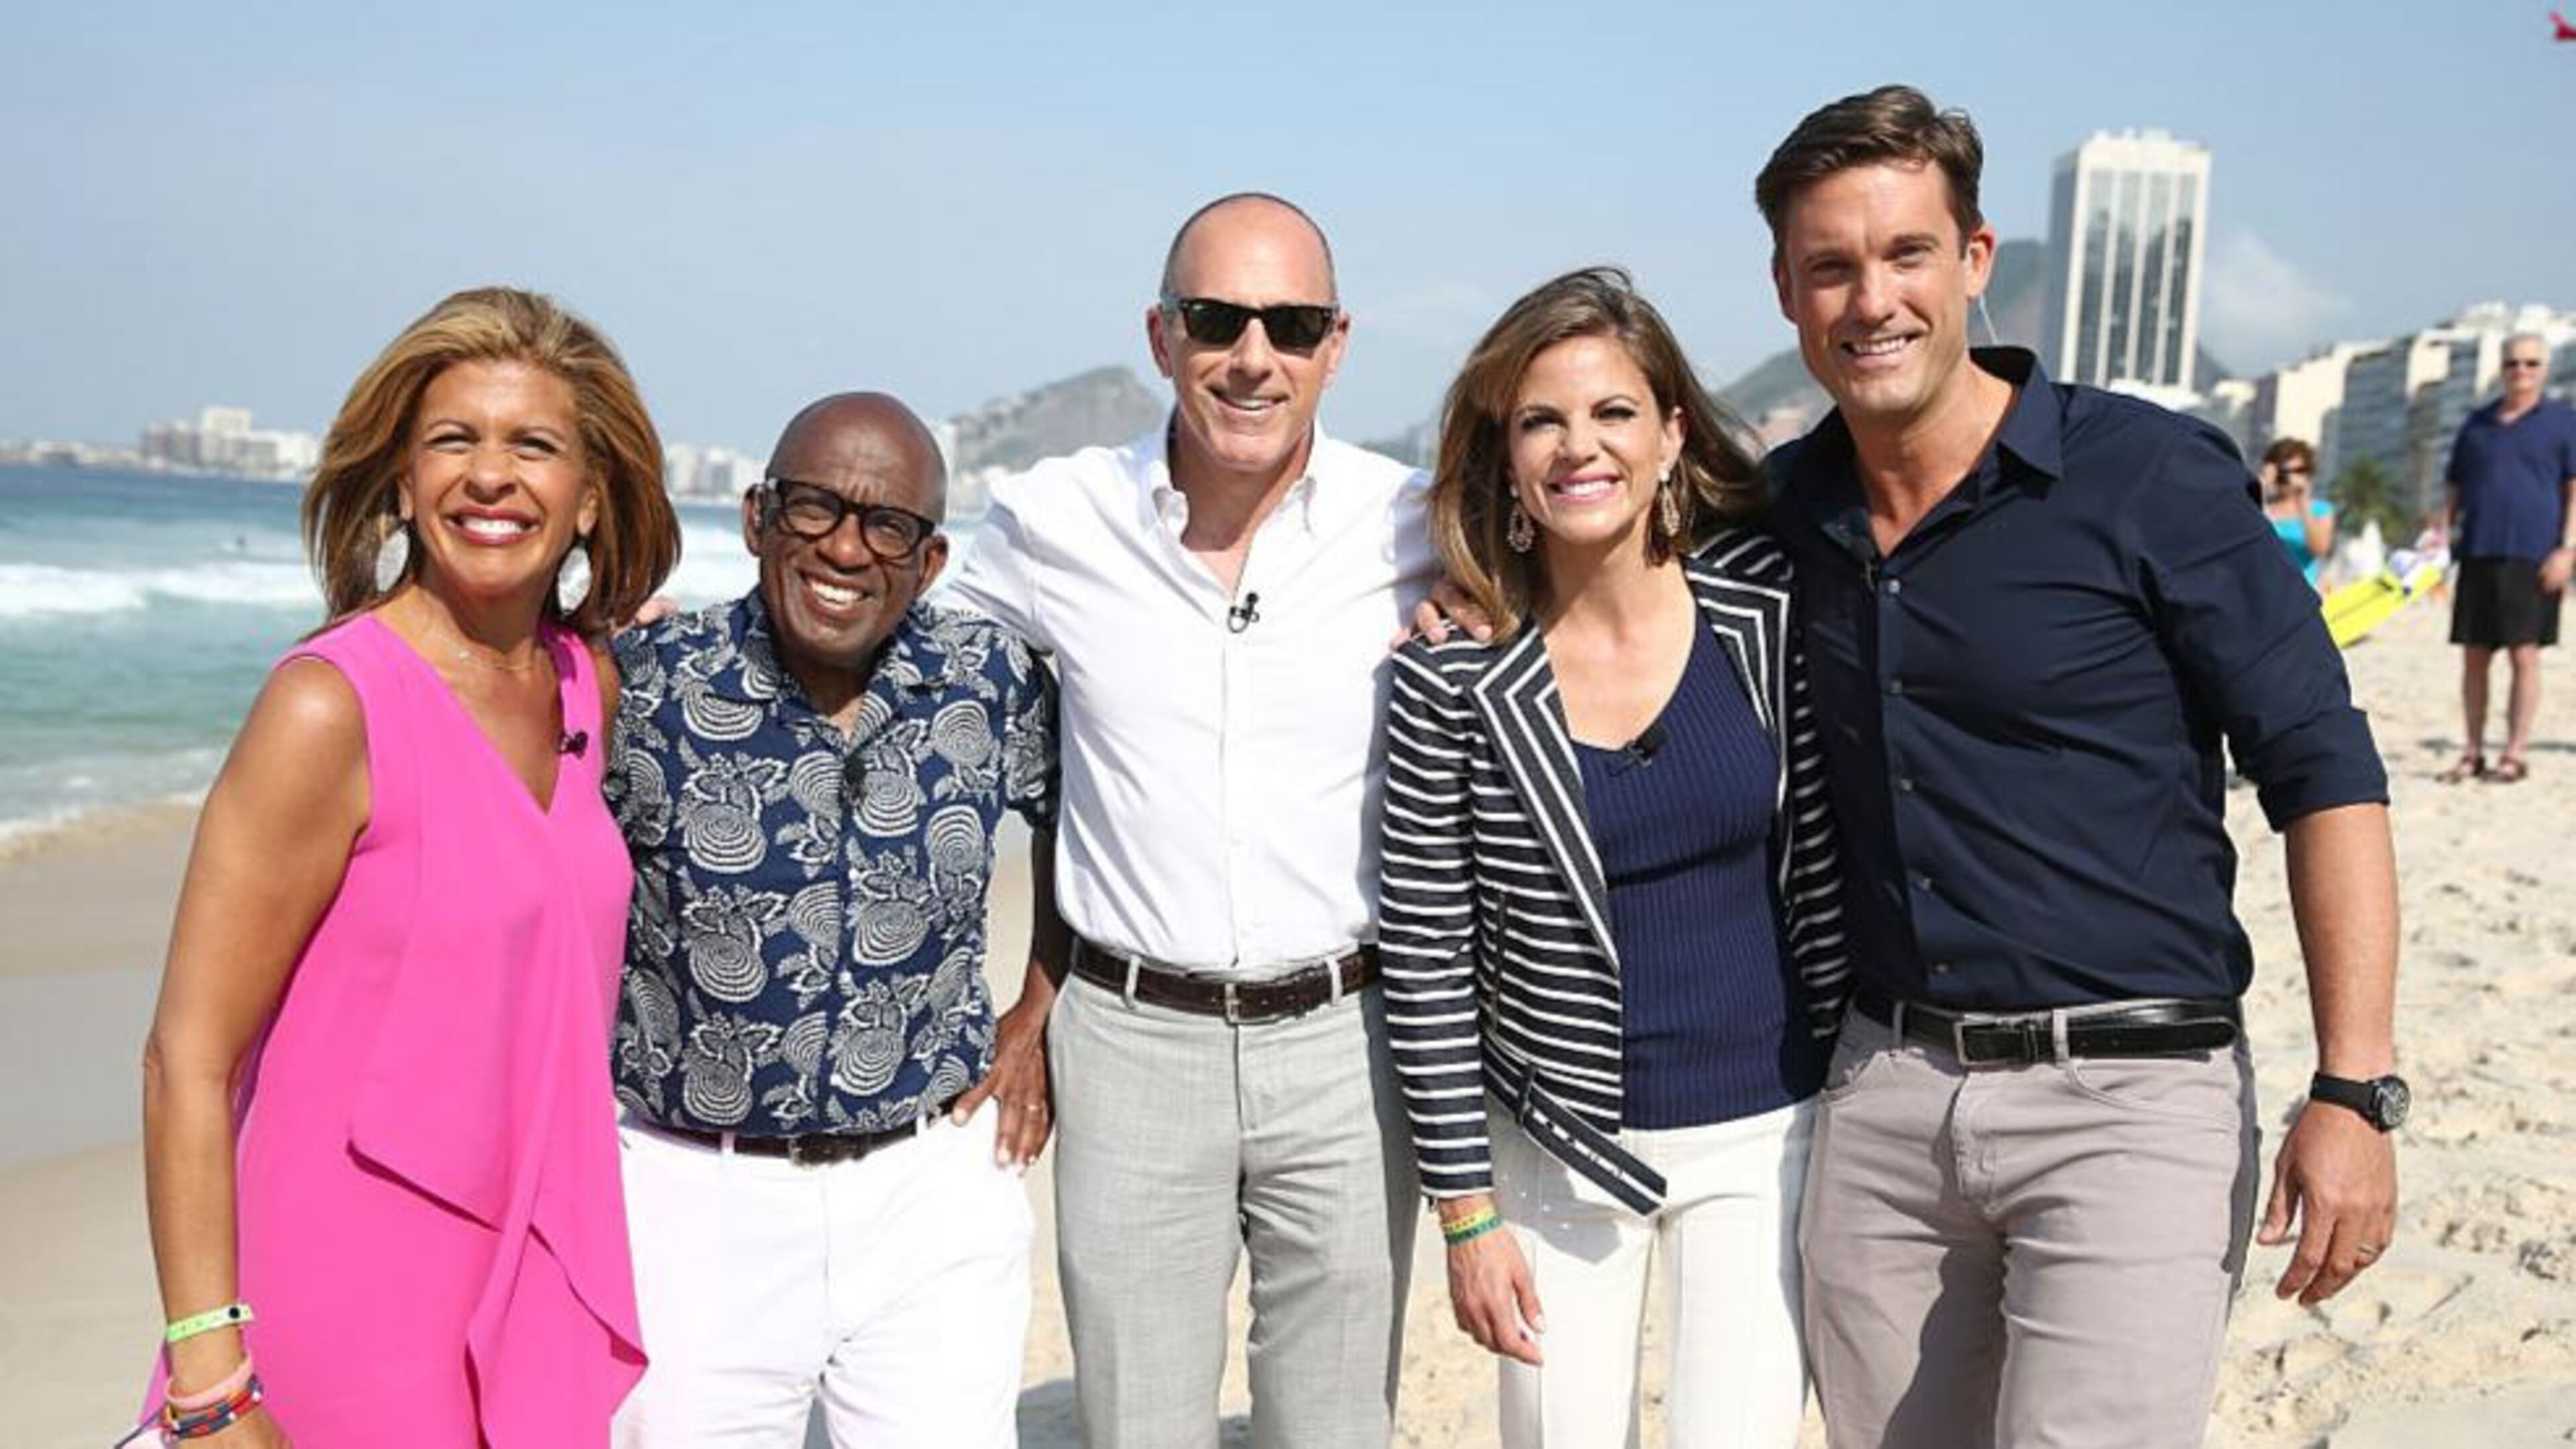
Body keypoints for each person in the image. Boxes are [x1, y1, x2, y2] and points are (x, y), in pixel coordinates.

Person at [1754, 86, 2402, 1447]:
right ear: (1786, 289)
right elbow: (1599, 585)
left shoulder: (2147, 477)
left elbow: (2323, 772)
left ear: (1976, 259)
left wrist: (2353, 1087)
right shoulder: (1781, 513)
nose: (1872, 299)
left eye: (1907, 254)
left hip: (2130, 1100)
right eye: (1832, 266)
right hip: (1883, 1098)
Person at [136, 286, 680, 1446]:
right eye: (453, 441)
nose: (491, 476)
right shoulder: (329, 706)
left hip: (527, 1264)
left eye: (534, 445)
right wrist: (210, 1378)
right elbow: (188, 1055)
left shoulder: (590, 687)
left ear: (589, 499)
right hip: (343, 1289)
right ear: (399, 481)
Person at [941, 192, 1434, 1447]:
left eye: (1291, 323)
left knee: (1333, 1424)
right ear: (1161, 337)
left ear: (1337, 343)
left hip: (1348, 1043)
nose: (1252, 356)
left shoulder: (1417, 526)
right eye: (1217, 319)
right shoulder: (1054, 522)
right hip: (1129, 1043)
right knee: (1136, 1423)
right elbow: (880, 636)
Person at [1379, 268, 1850, 1448]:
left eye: (1612, 413)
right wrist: (1467, 1215)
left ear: (1672, 433)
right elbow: (1428, 954)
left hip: (1767, 1131)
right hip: (1552, 1150)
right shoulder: (1451, 674)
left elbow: (1833, 867)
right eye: (1541, 420)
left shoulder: (1770, 615)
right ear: (1504, 459)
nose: (1578, 447)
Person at [605, 393, 1059, 1446]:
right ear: (759, 516)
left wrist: (1039, 1012)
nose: (846, 548)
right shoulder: (645, 687)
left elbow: (1094, 828)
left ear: (931, 559)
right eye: (815, 509)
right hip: (694, 1195)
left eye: (886, 525)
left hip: (930, 1183)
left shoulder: (988, 682)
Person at [2436, 333, 2576, 785]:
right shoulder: (2476, 424)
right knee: (2474, 658)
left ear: (2545, 369)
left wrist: (2568, 549)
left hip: (2534, 555)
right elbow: (2453, 489)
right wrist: (2438, 536)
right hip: (2477, 549)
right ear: (2502, 368)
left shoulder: (2562, 423)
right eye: (2514, 363)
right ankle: (2473, 751)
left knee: (2524, 655)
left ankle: (2514, 753)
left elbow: (2573, 491)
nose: (2522, 372)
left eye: (2532, 364)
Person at [2260, 437, 2335, 588]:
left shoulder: (2320, 511)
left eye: (2298, 471)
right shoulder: (2259, 506)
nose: (2289, 477)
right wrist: (2261, 488)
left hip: (2300, 595)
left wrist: (2303, 504)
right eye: (2283, 472)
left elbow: (2321, 549)